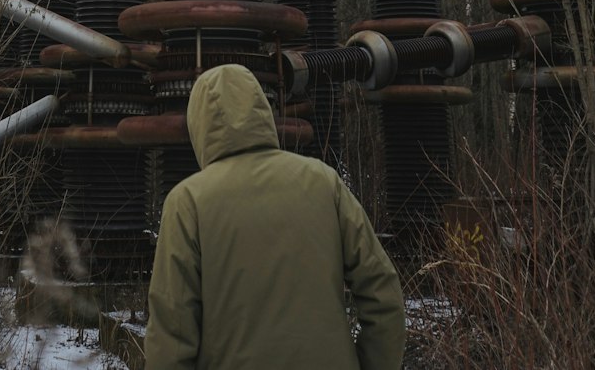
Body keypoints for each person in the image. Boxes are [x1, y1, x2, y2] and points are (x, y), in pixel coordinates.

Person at [145, 63, 406, 370]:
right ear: (263, 112)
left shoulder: (187, 202)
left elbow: (172, 334)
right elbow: (383, 294)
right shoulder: (323, 182)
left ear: (198, 125)